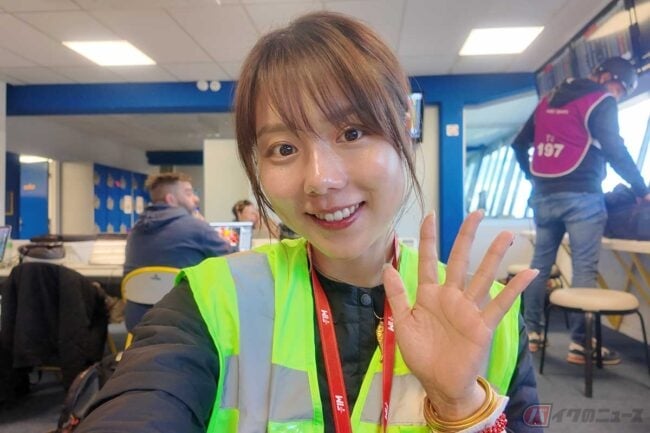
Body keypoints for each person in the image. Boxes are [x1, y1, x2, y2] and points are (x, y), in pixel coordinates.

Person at [78, 12, 539, 432]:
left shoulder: (489, 317)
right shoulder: (212, 299)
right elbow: (142, 401)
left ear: (405, 129)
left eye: (352, 133)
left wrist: (460, 406)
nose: (320, 179)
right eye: (284, 148)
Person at [512, 56, 650, 364]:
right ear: (608, 79)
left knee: (539, 266)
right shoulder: (601, 100)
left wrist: (531, 177)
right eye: (621, 90)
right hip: (582, 195)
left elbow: (519, 145)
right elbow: (615, 148)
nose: (618, 96)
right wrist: (642, 190)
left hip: (544, 195)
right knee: (584, 268)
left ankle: (532, 334)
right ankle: (580, 343)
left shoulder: (548, 100)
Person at [122, 172, 233, 330]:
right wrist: (204, 226)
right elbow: (233, 260)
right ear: (171, 199)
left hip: (138, 323)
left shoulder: (135, 231)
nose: (196, 198)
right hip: (185, 322)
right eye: (188, 193)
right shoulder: (196, 227)